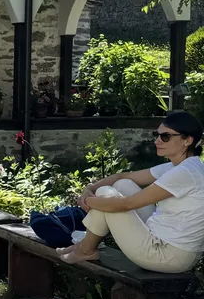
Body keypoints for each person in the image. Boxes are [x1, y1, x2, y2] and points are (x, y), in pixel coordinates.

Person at [58, 111, 204, 273]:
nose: (157, 141)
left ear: (188, 140)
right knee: (123, 184)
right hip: (163, 241)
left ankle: (85, 250)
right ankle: (85, 246)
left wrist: (89, 201)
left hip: (169, 256)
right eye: (157, 135)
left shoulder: (185, 172)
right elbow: (124, 176)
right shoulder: (180, 166)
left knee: (107, 194)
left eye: (165, 137)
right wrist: (89, 189)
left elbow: (128, 203)